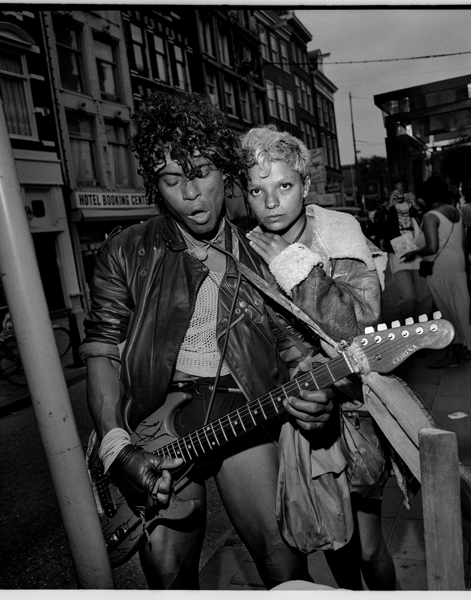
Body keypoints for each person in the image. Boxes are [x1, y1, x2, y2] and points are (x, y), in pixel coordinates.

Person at [79, 91, 335, 590]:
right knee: (169, 576)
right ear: (156, 185)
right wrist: (115, 445)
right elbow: (102, 350)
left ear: (226, 172)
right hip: (157, 429)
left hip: (241, 415)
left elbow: (292, 345)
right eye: (172, 179)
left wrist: (313, 390)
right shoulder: (126, 251)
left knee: (285, 565)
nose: (192, 193)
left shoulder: (261, 254)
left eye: (202, 172)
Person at [240, 125, 396, 590]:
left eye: (284, 186)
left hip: (356, 409)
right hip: (301, 412)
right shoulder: (246, 249)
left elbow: (361, 324)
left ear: (305, 186)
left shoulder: (337, 230)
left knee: (369, 548)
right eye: (257, 190)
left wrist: (292, 263)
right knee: (337, 546)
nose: (271, 202)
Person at [403, 176, 471, 368]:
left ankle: (451, 353)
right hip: (457, 264)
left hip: (440, 268)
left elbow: (432, 247)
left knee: (445, 309)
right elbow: (463, 242)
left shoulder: (430, 216)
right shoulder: (454, 211)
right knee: (458, 305)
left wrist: (414, 252)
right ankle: (462, 348)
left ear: (428, 195)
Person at [378, 175, 433, 321]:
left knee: (424, 297)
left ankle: (421, 326)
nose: (400, 194)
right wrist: (389, 206)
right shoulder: (386, 208)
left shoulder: (417, 205)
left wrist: (415, 204)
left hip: (419, 255)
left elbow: (429, 223)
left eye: (403, 190)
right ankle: (407, 326)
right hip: (399, 257)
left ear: (408, 189)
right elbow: (378, 227)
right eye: (396, 191)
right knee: (408, 298)